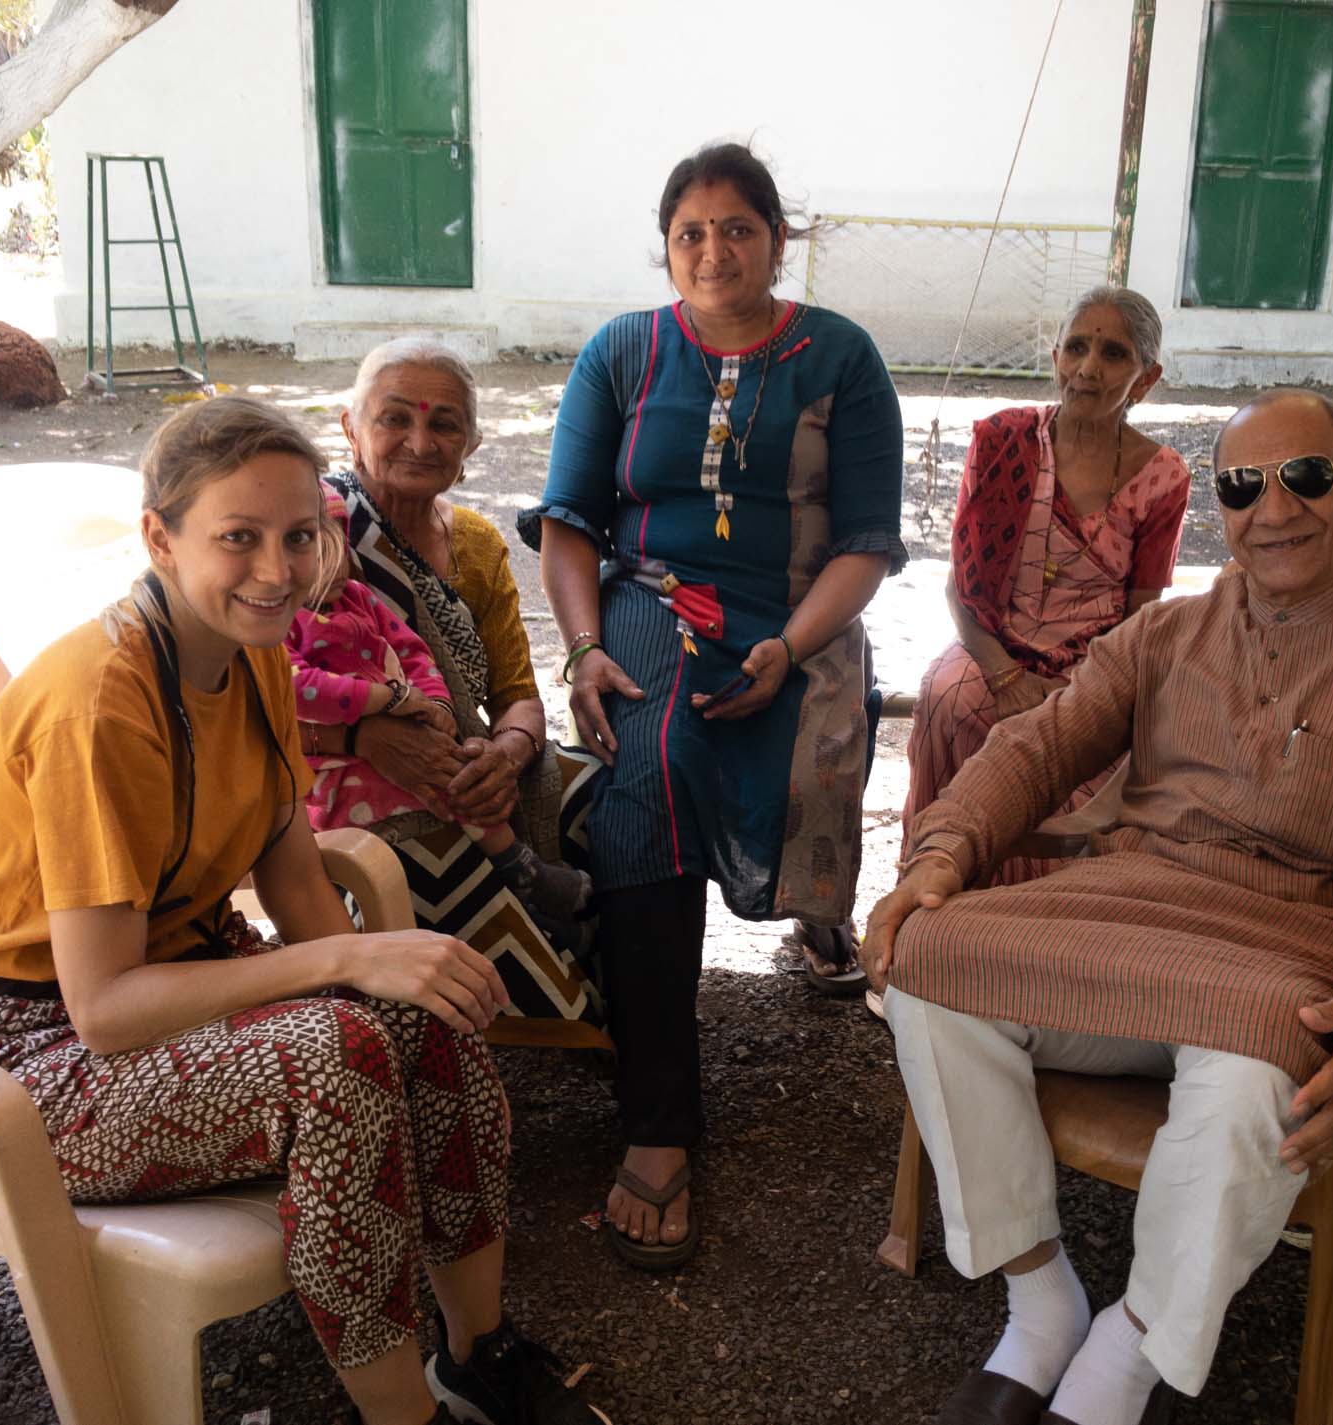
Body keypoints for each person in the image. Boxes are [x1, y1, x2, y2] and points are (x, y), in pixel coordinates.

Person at [0, 398, 609, 1425]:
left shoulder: (250, 660)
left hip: (180, 987)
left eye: (299, 537)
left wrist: (392, 979)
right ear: (160, 536)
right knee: (339, 1061)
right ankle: (397, 1414)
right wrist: (353, 973)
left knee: (435, 1015)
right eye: (237, 539)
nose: (278, 573)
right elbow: (102, 1007)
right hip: (20, 1061)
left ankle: (475, 1353)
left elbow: (290, 876)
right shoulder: (101, 701)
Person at [863, 388, 1333, 1425]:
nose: (1274, 509)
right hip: (1136, 909)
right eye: (1242, 487)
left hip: (1304, 944)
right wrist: (942, 851)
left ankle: (1122, 1359)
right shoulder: (1167, 634)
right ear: (1218, 510)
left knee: (1250, 1087)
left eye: (1306, 477)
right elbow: (1041, 743)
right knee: (927, 962)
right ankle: (1040, 1299)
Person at [523, 141, 905, 1270]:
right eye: (689, 231)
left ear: (776, 241)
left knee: (795, 725)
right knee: (642, 770)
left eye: (736, 227)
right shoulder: (623, 352)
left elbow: (866, 543)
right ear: (667, 247)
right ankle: (658, 1118)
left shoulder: (839, 355)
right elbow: (569, 524)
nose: (712, 249)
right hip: (644, 599)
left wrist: (792, 645)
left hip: (795, 606)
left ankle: (789, 933)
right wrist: (585, 647)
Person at [302, 339, 602, 1020]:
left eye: (443, 424)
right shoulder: (309, 532)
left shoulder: (476, 543)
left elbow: (518, 696)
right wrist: (364, 735)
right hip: (347, 784)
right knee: (433, 852)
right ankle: (545, 998)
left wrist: (507, 753)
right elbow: (250, 692)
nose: (420, 440)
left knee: (613, 794)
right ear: (351, 429)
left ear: (471, 442)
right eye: (394, 419)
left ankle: (629, 1012)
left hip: (471, 765)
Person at [905, 286, 1189, 886]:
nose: (1089, 368)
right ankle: (939, 890)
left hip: (1096, 664)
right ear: (1056, 355)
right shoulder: (1002, 441)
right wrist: (1005, 674)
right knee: (950, 696)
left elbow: (1144, 614)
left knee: (1083, 737)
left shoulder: (1162, 476)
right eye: (1077, 348)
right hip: (993, 647)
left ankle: (1036, 917)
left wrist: (1096, 690)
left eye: (1114, 354)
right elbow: (961, 589)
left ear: (1145, 378)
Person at [286, 548, 591, 924]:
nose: (334, 562)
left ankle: (522, 879)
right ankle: (522, 897)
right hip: (337, 769)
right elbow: (296, 693)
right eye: (314, 548)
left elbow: (416, 653)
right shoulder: (275, 620)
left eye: (340, 546)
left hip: (420, 724)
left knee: (466, 776)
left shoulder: (360, 595)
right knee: (429, 839)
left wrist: (439, 705)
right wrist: (387, 700)